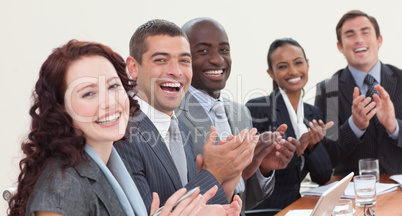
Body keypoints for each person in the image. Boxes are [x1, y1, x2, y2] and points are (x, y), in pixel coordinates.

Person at [7, 39, 239, 216]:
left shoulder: (114, 163)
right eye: (88, 93)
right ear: (61, 109)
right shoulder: (62, 181)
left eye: (113, 86)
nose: (109, 102)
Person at [114, 19, 250, 214]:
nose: (176, 71)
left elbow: (186, 199)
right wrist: (213, 174)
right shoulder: (121, 132)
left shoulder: (181, 130)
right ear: (133, 67)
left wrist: (226, 185)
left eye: (184, 61)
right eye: (160, 60)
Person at [176, 17, 297, 212]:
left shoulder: (241, 113)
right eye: (203, 51)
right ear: (183, 58)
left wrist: (262, 169)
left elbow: (242, 200)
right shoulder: (173, 116)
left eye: (224, 50)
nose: (217, 59)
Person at [246, 38, 333, 209]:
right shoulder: (257, 109)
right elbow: (252, 178)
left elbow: (323, 176)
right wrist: (297, 150)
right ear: (271, 73)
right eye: (283, 66)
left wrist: (311, 147)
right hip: (268, 210)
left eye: (298, 63)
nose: (293, 71)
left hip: (299, 207)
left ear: (307, 65)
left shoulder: (312, 113)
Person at [315, 10, 402, 175]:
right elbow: (327, 157)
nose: (359, 40)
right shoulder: (328, 90)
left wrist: (394, 126)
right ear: (340, 46)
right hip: (354, 192)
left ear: (379, 40)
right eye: (350, 35)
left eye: (365, 32)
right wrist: (354, 126)